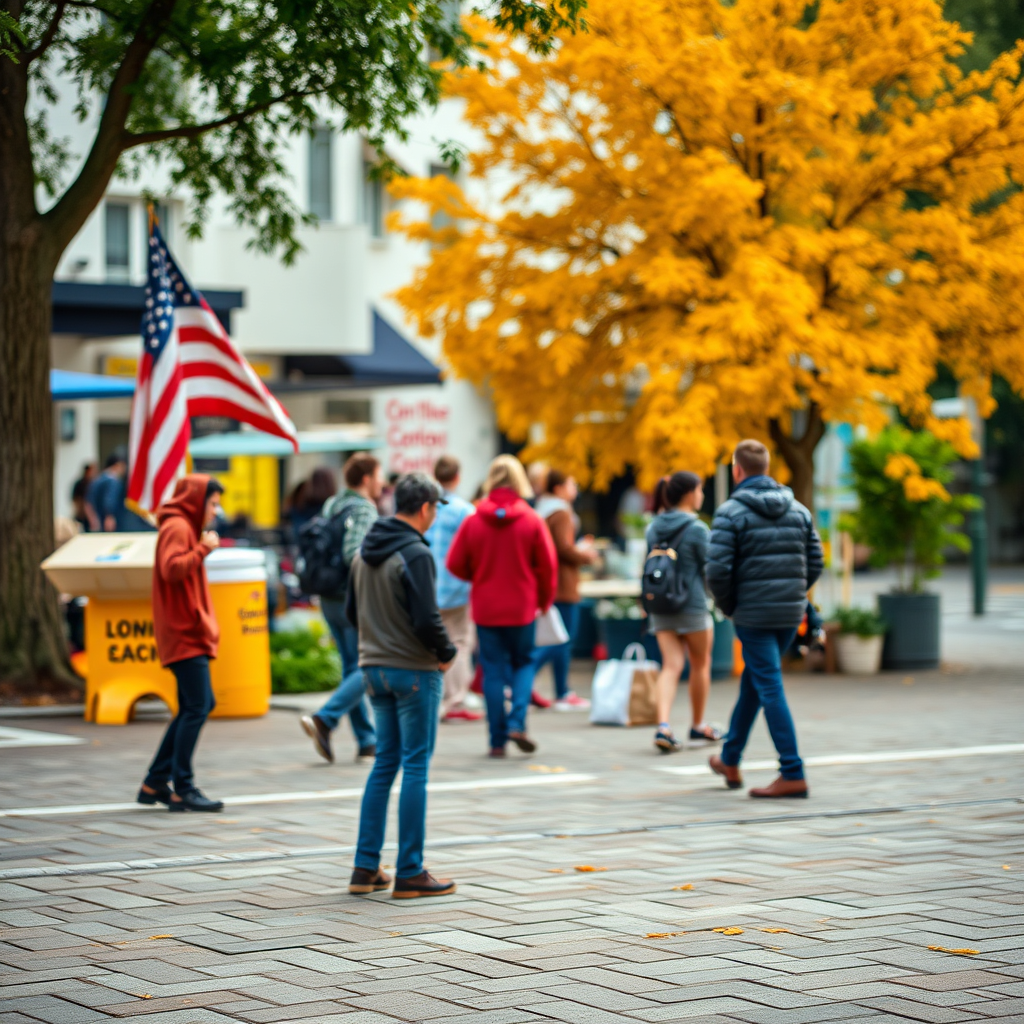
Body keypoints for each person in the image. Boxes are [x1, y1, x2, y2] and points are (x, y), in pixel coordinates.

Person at [346, 473, 458, 899]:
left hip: (373, 669)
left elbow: (353, 616)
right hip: (413, 671)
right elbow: (427, 617)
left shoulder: (364, 552)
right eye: (436, 510)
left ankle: (365, 867)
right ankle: (410, 870)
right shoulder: (415, 552)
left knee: (384, 764)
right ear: (426, 507)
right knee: (415, 766)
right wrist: (446, 652)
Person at [706, 440, 824, 799]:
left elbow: (717, 571)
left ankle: (792, 771)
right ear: (767, 468)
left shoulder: (729, 512)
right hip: (789, 614)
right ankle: (729, 758)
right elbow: (816, 560)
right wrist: (794, 594)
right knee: (755, 685)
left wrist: (731, 607)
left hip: (753, 615)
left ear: (736, 470)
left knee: (768, 686)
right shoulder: (799, 510)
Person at [447, 455, 558, 758]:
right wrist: (544, 601)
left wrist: (478, 575)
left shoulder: (473, 520)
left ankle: (497, 740)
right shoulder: (532, 519)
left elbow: (454, 563)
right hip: (522, 608)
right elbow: (548, 566)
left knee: (493, 669)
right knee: (524, 663)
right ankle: (517, 723)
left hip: (486, 607)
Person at [138, 475, 226, 812]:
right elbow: (172, 568)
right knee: (197, 706)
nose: (216, 511)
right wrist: (204, 548)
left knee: (196, 704)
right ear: (196, 501)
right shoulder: (178, 527)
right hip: (184, 632)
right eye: (213, 503)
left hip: (185, 630)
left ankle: (156, 781)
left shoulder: (180, 526)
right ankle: (182, 787)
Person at [300, 455, 383, 763]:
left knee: (352, 665)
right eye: (379, 475)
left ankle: (366, 740)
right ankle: (326, 718)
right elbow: (353, 553)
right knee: (369, 666)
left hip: (328, 596)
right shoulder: (364, 509)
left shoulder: (332, 504)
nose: (382, 481)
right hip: (352, 598)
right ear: (366, 479)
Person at [645, 472, 719, 753]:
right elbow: (711, 571)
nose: (701, 495)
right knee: (700, 664)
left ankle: (663, 725)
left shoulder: (653, 527)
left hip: (661, 605)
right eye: (700, 489)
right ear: (689, 494)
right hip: (692, 606)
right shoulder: (698, 529)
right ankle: (698, 725)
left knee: (671, 666)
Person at [533, 469, 598, 711]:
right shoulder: (560, 512)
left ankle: (560, 689)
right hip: (563, 583)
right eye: (572, 483)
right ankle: (537, 682)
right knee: (561, 638)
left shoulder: (542, 509)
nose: (575, 489)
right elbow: (563, 548)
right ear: (559, 487)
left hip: (550, 582)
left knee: (557, 637)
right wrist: (585, 555)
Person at [425, 455, 481, 722]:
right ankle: (455, 700)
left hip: (428, 586)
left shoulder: (427, 507)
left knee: (435, 644)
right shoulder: (464, 511)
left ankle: (437, 698)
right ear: (457, 477)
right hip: (457, 588)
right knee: (458, 643)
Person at [86, 450, 128, 532]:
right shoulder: (113, 480)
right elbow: (110, 500)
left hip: (98, 520)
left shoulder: (98, 479)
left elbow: (88, 501)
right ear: (117, 465)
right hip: (108, 521)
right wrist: (109, 516)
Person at [71, 463, 98, 532]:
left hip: (89, 512)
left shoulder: (93, 483)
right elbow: (76, 499)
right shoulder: (81, 484)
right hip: (81, 512)